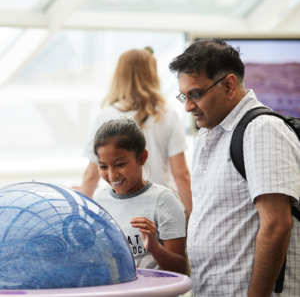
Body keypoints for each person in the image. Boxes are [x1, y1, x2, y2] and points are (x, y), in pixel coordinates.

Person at [169, 38, 300, 296]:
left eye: (195, 94)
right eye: (183, 96)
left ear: (228, 85)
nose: (187, 106)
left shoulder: (261, 130)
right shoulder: (210, 134)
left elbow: (276, 225)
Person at [81, 48, 192, 218]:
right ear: (152, 74)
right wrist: (192, 215)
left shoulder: (106, 116)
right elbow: (181, 174)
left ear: (119, 75)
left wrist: (82, 214)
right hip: (163, 208)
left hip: (123, 209)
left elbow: (91, 174)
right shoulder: (167, 115)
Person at [92, 116, 187, 273]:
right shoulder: (99, 201)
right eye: (103, 166)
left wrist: (154, 248)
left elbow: (180, 270)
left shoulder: (164, 200)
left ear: (142, 157)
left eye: (120, 164)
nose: (112, 175)